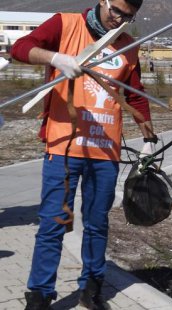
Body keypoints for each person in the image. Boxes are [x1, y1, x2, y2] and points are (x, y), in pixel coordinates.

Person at [10, 0, 156, 309]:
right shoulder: (66, 24)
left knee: (97, 222)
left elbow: (134, 94)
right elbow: (21, 47)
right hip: (64, 144)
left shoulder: (128, 45)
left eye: (128, 17)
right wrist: (56, 58)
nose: (120, 20)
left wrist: (149, 136)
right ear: (103, 1)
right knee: (53, 221)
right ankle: (40, 293)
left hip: (105, 150)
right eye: (116, 11)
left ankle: (92, 286)